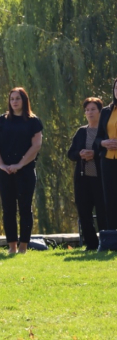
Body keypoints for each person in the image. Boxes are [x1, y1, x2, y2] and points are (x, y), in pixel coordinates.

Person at [0, 88, 43, 254]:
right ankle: (12, 246)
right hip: (4, 172)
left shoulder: (33, 121)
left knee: (25, 208)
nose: (14, 102)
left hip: (25, 171)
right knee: (8, 208)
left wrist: (20, 165)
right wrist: (1, 165)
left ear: (24, 100)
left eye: (18, 99)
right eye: (12, 98)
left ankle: (23, 247)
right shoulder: (2, 120)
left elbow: (36, 145)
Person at [68, 97, 107, 250]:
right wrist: (80, 154)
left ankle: (105, 242)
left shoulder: (104, 132)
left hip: (100, 179)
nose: (90, 112)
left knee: (103, 212)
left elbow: (107, 151)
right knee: (84, 212)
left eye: (93, 109)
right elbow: (70, 154)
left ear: (100, 111)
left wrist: (94, 154)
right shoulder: (81, 132)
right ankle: (91, 244)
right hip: (83, 179)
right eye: (87, 110)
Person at [95, 78, 117, 230]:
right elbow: (97, 138)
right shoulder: (106, 111)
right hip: (108, 160)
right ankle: (112, 236)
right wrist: (103, 143)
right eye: (116, 88)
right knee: (110, 198)